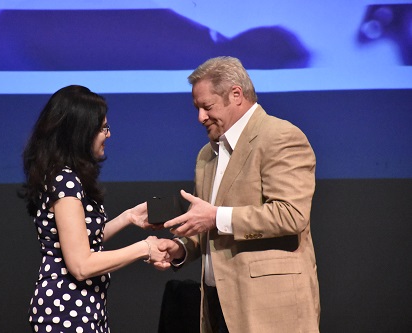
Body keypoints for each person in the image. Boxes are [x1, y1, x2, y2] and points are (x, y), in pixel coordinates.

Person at [156, 56, 320, 332]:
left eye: (207, 107)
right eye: (197, 108)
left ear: (236, 95)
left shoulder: (280, 137)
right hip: (219, 307)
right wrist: (181, 248)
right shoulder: (207, 154)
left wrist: (216, 217)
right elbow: (205, 224)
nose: (200, 118)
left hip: (270, 308)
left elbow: (291, 215)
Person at [21, 85, 168, 333]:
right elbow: (81, 265)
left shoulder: (64, 177)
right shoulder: (64, 180)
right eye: (102, 128)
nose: (108, 135)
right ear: (80, 133)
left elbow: (80, 240)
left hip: (84, 309)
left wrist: (127, 218)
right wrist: (145, 248)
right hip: (66, 313)